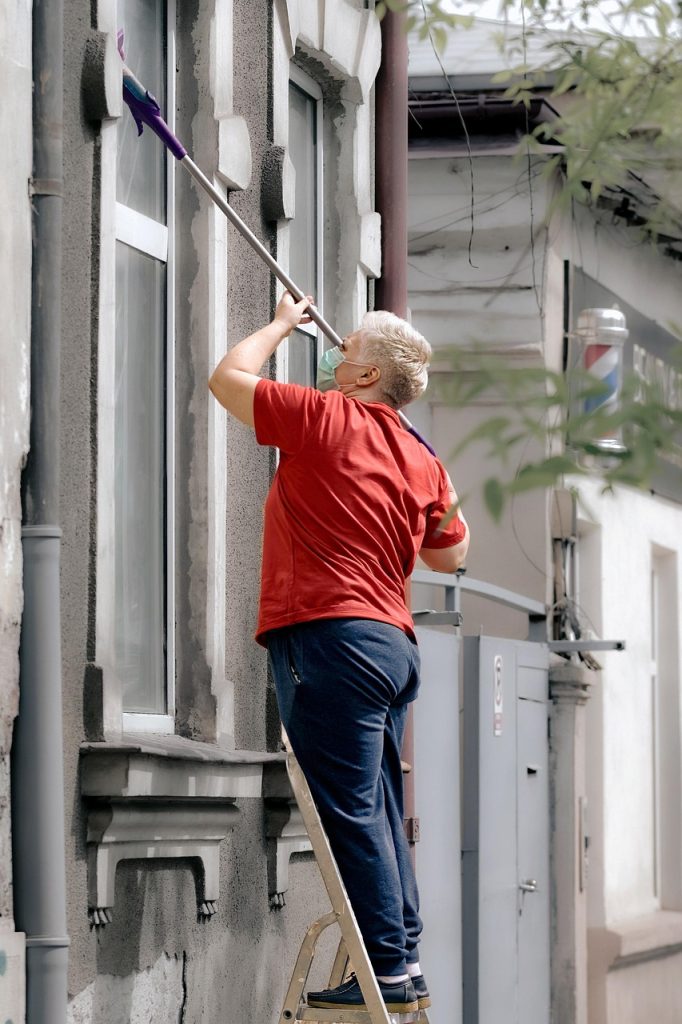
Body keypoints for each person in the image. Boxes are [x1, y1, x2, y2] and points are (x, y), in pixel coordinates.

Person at [209, 291, 469, 1015]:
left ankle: (383, 970)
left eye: (345, 348)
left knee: (351, 814)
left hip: (330, 637)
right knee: (380, 809)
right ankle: (405, 961)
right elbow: (455, 553)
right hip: (393, 647)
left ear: (363, 377)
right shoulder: (422, 454)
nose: (333, 355)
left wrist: (280, 325)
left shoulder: (326, 416)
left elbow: (228, 379)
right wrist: (420, 469)